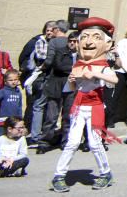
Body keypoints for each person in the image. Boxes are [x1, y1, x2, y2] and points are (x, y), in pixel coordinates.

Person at [51, 17, 119, 193]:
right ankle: (59, 175)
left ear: (107, 43)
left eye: (96, 37)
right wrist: (72, 80)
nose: (88, 42)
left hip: (95, 107)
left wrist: (97, 74)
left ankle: (105, 173)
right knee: (72, 142)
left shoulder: (102, 66)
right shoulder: (78, 65)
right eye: (84, 37)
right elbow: (73, 87)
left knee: (95, 143)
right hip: (79, 107)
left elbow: (114, 79)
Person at [37, 20, 72, 154]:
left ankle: (44, 142)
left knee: (52, 113)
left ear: (57, 29)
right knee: (67, 113)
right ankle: (65, 141)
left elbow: (49, 60)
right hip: (70, 80)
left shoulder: (54, 42)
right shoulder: (73, 41)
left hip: (55, 80)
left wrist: (42, 67)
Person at [24, 21, 55, 144]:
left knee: (51, 107)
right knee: (38, 106)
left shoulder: (56, 43)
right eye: (47, 30)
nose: (49, 32)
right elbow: (42, 57)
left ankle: (46, 133)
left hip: (53, 78)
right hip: (41, 77)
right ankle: (35, 136)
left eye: (51, 30)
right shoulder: (40, 41)